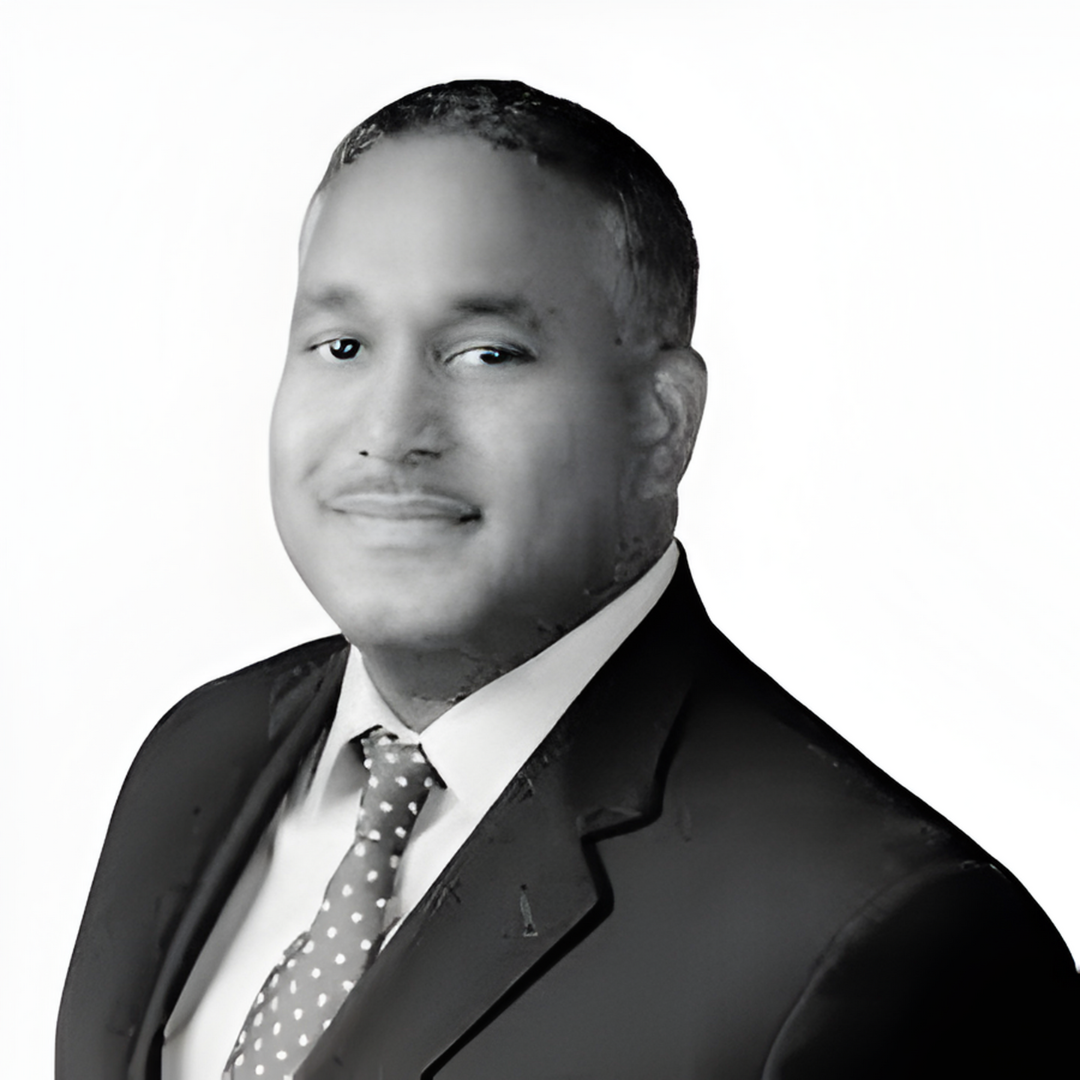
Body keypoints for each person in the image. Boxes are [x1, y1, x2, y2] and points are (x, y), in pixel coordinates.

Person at [57, 79, 1076, 1080]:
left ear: (661, 423)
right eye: (342, 345)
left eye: (487, 354)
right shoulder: (198, 757)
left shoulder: (886, 935)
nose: (389, 430)